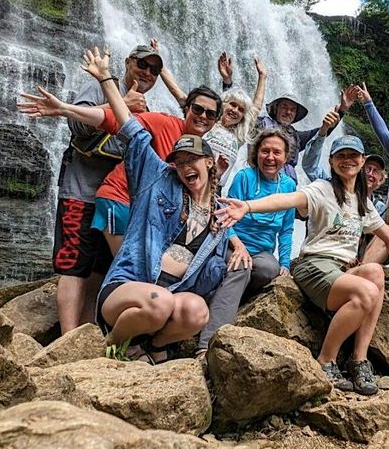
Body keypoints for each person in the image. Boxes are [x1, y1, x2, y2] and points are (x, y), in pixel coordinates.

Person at [20, 48, 233, 362]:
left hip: (160, 262)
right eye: (180, 160)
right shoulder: (162, 171)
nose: (186, 165)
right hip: (118, 202)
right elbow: (122, 124)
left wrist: (237, 243)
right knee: (84, 267)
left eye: (209, 114)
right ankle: (103, 344)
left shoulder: (217, 211)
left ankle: (150, 344)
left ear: (214, 164)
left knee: (104, 271)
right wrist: (87, 94)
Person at [218, 135, 389, 396]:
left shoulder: (361, 200)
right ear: (332, 162)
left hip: (340, 269)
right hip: (313, 265)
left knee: (375, 272)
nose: (347, 161)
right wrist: (247, 206)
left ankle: (359, 359)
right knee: (366, 292)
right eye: (341, 156)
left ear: (362, 160)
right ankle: (326, 359)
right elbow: (287, 200)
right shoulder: (322, 189)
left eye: (353, 156)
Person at [18, 43, 161, 332]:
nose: (147, 72)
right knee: (74, 267)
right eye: (142, 65)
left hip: (115, 202)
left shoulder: (147, 107)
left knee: (100, 268)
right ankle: (68, 338)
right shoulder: (98, 86)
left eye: (154, 70)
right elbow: (77, 124)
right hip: (81, 192)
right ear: (127, 63)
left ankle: (88, 331)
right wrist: (120, 106)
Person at [91, 85, 223, 256]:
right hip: (120, 198)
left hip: (144, 210)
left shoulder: (199, 148)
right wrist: (66, 110)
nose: (203, 116)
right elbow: (120, 121)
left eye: (210, 114)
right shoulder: (165, 123)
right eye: (197, 109)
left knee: (105, 270)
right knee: (129, 265)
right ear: (187, 109)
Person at [196, 128, 295, 355]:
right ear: (256, 153)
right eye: (265, 151)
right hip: (232, 242)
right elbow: (224, 216)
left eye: (276, 152)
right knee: (240, 266)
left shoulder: (289, 186)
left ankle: (227, 298)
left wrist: (286, 264)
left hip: (262, 252)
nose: (270, 157)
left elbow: (287, 229)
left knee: (270, 268)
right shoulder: (245, 177)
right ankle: (207, 345)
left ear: (286, 156)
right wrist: (238, 246)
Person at [302, 111, 389, 263]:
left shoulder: (380, 206)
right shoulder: (327, 184)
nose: (370, 174)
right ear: (359, 166)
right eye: (368, 168)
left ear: (381, 180)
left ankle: (361, 268)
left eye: (375, 171)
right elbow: (309, 165)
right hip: (324, 253)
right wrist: (323, 131)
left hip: (359, 258)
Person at [258, 87, 353, 180]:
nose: (288, 112)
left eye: (292, 110)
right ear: (275, 109)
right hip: (261, 180)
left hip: (287, 187)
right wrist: (262, 77)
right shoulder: (261, 125)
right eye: (284, 107)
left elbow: (322, 132)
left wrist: (342, 110)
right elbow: (250, 116)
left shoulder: (296, 137)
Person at [209, 52, 268, 150]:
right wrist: (227, 80)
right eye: (233, 105)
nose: (235, 110)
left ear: (242, 117)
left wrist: (262, 76)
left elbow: (256, 107)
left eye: (241, 110)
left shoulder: (240, 133)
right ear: (223, 105)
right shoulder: (208, 121)